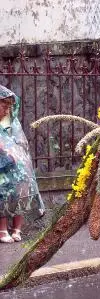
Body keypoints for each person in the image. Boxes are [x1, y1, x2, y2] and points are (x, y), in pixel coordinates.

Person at [0, 85, 44, 243]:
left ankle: (17, 227)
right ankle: (2, 228)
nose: (6, 110)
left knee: (24, 185)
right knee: (3, 190)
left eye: (8, 107)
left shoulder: (11, 122)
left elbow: (21, 142)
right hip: (1, 168)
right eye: (4, 106)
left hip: (15, 165)